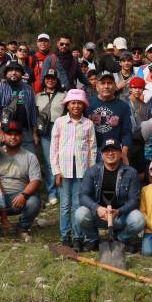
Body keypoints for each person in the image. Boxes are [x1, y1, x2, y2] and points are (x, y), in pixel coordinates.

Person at [75, 138, 145, 253]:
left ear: (121, 153)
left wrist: (119, 211)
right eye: (107, 151)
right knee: (80, 213)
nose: (110, 153)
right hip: (100, 216)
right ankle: (93, 239)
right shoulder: (92, 171)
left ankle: (120, 239)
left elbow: (134, 200)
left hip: (120, 216)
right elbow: (83, 196)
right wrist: (97, 208)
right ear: (102, 155)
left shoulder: (131, 172)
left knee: (139, 220)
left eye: (114, 150)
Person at [50, 89, 97, 246]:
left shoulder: (88, 124)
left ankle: (78, 236)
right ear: (67, 105)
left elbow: (92, 149)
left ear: (84, 105)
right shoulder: (60, 122)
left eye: (79, 103)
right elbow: (54, 148)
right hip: (64, 171)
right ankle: (65, 235)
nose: (76, 106)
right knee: (65, 205)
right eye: (73, 103)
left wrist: (91, 172)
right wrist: (56, 171)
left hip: (82, 171)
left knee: (78, 204)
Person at [0, 62, 40, 155]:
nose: (14, 73)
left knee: (30, 156)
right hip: (5, 131)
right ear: (6, 73)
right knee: (4, 159)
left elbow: (33, 112)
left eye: (17, 70)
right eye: (11, 70)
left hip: (25, 131)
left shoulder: (28, 89)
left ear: (22, 74)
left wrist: (34, 133)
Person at [86, 71, 133, 162]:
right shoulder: (87, 104)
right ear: (97, 86)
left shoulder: (123, 106)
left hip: (113, 151)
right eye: (103, 83)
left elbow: (127, 132)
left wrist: (124, 154)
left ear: (115, 86)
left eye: (109, 83)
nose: (106, 86)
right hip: (90, 151)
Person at [35, 71, 66, 204]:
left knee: (62, 160)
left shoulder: (63, 95)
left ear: (57, 80)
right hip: (45, 130)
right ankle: (52, 192)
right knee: (49, 162)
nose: (50, 80)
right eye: (48, 78)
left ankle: (62, 191)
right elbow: (35, 116)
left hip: (60, 129)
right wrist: (35, 133)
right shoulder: (38, 96)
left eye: (53, 78)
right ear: (44, 80)